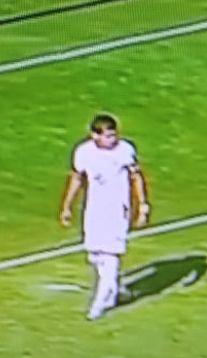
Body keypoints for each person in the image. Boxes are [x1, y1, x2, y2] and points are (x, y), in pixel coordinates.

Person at [59, 113, 150, 320]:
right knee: (95, 254)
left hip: (118, 210)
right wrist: (67, 206)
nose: (113, 140)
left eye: (114, 135)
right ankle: (115, 288)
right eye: (108, 136)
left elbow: (136, 177)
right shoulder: (83, 152)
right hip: (94, 209)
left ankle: (101, 302)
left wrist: (142, 205)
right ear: (94, 136)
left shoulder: (125, 150)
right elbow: (77, 179)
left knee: (110, 255)